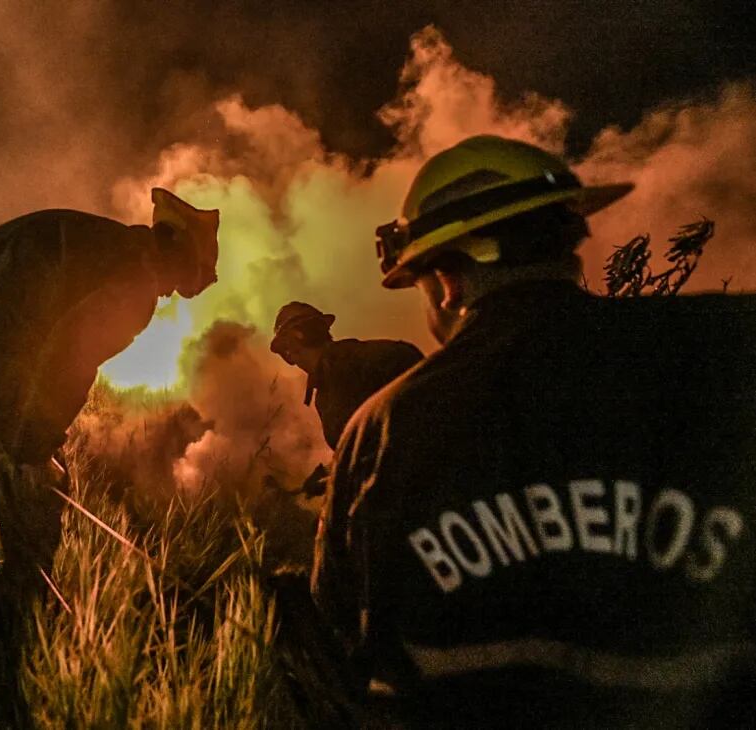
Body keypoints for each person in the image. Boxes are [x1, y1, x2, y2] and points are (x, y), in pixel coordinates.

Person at [311, 135, 756, 727]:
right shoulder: (729, 348)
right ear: (569, 248)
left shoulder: (384, 429)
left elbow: (335, 651)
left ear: (446, 281)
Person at [0, 188, 220, 603]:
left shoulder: (104, 241)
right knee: (36, 494)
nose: (177, 291)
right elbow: (69, 359)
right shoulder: (134, 280)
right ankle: (15, 616)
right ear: (177, 251)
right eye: (192, 276)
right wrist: (36, 445)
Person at [269, 301, 422, 496]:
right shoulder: (376, 355)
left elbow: (377, 451)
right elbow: (365, 447)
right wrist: (330, 473)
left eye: (285, 350)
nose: (289, 357)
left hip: (405, 490)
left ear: (294, 341)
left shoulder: (339, 378)